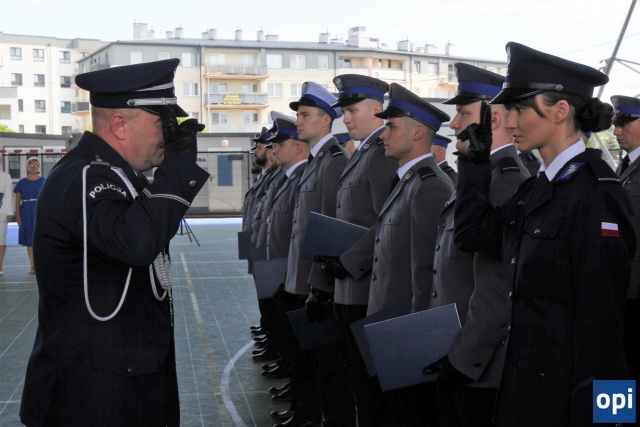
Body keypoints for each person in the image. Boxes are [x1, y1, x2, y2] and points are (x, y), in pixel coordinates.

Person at [19, 58, 209, 427]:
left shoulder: (119, 175)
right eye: (162, 123)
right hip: (92, 398)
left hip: (122, 385)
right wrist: (178, 170)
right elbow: (135, 243)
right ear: (120, 124)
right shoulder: (85, 177)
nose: (169, 136)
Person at [453, 42, 635, 426]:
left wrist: (612, 418)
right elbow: (471, 237)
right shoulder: (533, 189)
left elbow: (605, 330)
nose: (509, 122)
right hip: (522, 392)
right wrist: (474, 165)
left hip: (565, 403)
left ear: (560, 110)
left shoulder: (598, 195)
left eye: (519, 109)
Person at [424, 63, 530, 427]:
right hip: (459, 349)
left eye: (463, 113)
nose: (454, 124)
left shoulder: (506, 181)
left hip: (479, 365)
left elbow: (497, 289)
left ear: (493, 119)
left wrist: (464, 359)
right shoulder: (485, 174)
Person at [367, 82, 454, 426]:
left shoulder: (430, 186)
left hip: (406, 329)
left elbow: (428, 271)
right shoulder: (408, 181)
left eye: (391, 126)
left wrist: (416, 339)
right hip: (390, 324)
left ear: (417, 132)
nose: (383, 134)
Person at [314, 74, 396, 427]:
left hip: (364, 289)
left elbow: (385, 221)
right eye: (344, 111)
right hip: (348, 287)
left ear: (377, 109)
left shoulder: (380, 154)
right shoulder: (362, 152)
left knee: (370, 389)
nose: (345, 119)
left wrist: (346, 261)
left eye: (352, 111)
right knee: (359, 384)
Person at [280, 81, 352, 427]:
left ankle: (320, 418)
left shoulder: (333, 161)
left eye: (305, 114)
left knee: (329, 369)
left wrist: (319, 286)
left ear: (326, 120)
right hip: (304, 280)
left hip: (317, 284)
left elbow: (331, 230)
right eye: (298, 115)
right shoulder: (317, 161)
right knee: (312, 361)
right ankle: (308, 415)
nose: (298, 121)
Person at [265, 117, 311, 422]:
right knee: (291, 344)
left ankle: (305, 409)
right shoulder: (287, 177)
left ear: (296, 146)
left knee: (301, 350)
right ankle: (299, 401)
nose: (273, 149)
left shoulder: (300, 177)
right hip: (282, 270)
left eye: (279, 143)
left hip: (296, 275)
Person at [611, 94, 640, 383]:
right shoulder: (625, 166)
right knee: (615, 364)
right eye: (615, 124)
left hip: (634, 291)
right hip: (621, 286)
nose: (617, 131)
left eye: (625, 123)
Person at [14, 156, 45, 274]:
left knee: (41, 240)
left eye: (36, 165)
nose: (34, 167)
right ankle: (32, 265)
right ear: (28, 167)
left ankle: (41, 265)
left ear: (39, 167)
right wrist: (18, 217)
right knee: (29, 240)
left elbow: (48, 199)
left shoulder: (44, 181)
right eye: (31, 165)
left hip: (40, 213)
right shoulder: (22, 183)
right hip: (26, 213)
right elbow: (17, 202)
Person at [0, 154, 14, 274]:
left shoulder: (5, 176)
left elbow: (9, 195)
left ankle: (0, 266)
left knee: (1, 240)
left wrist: (10, 212)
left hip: (2, 212)